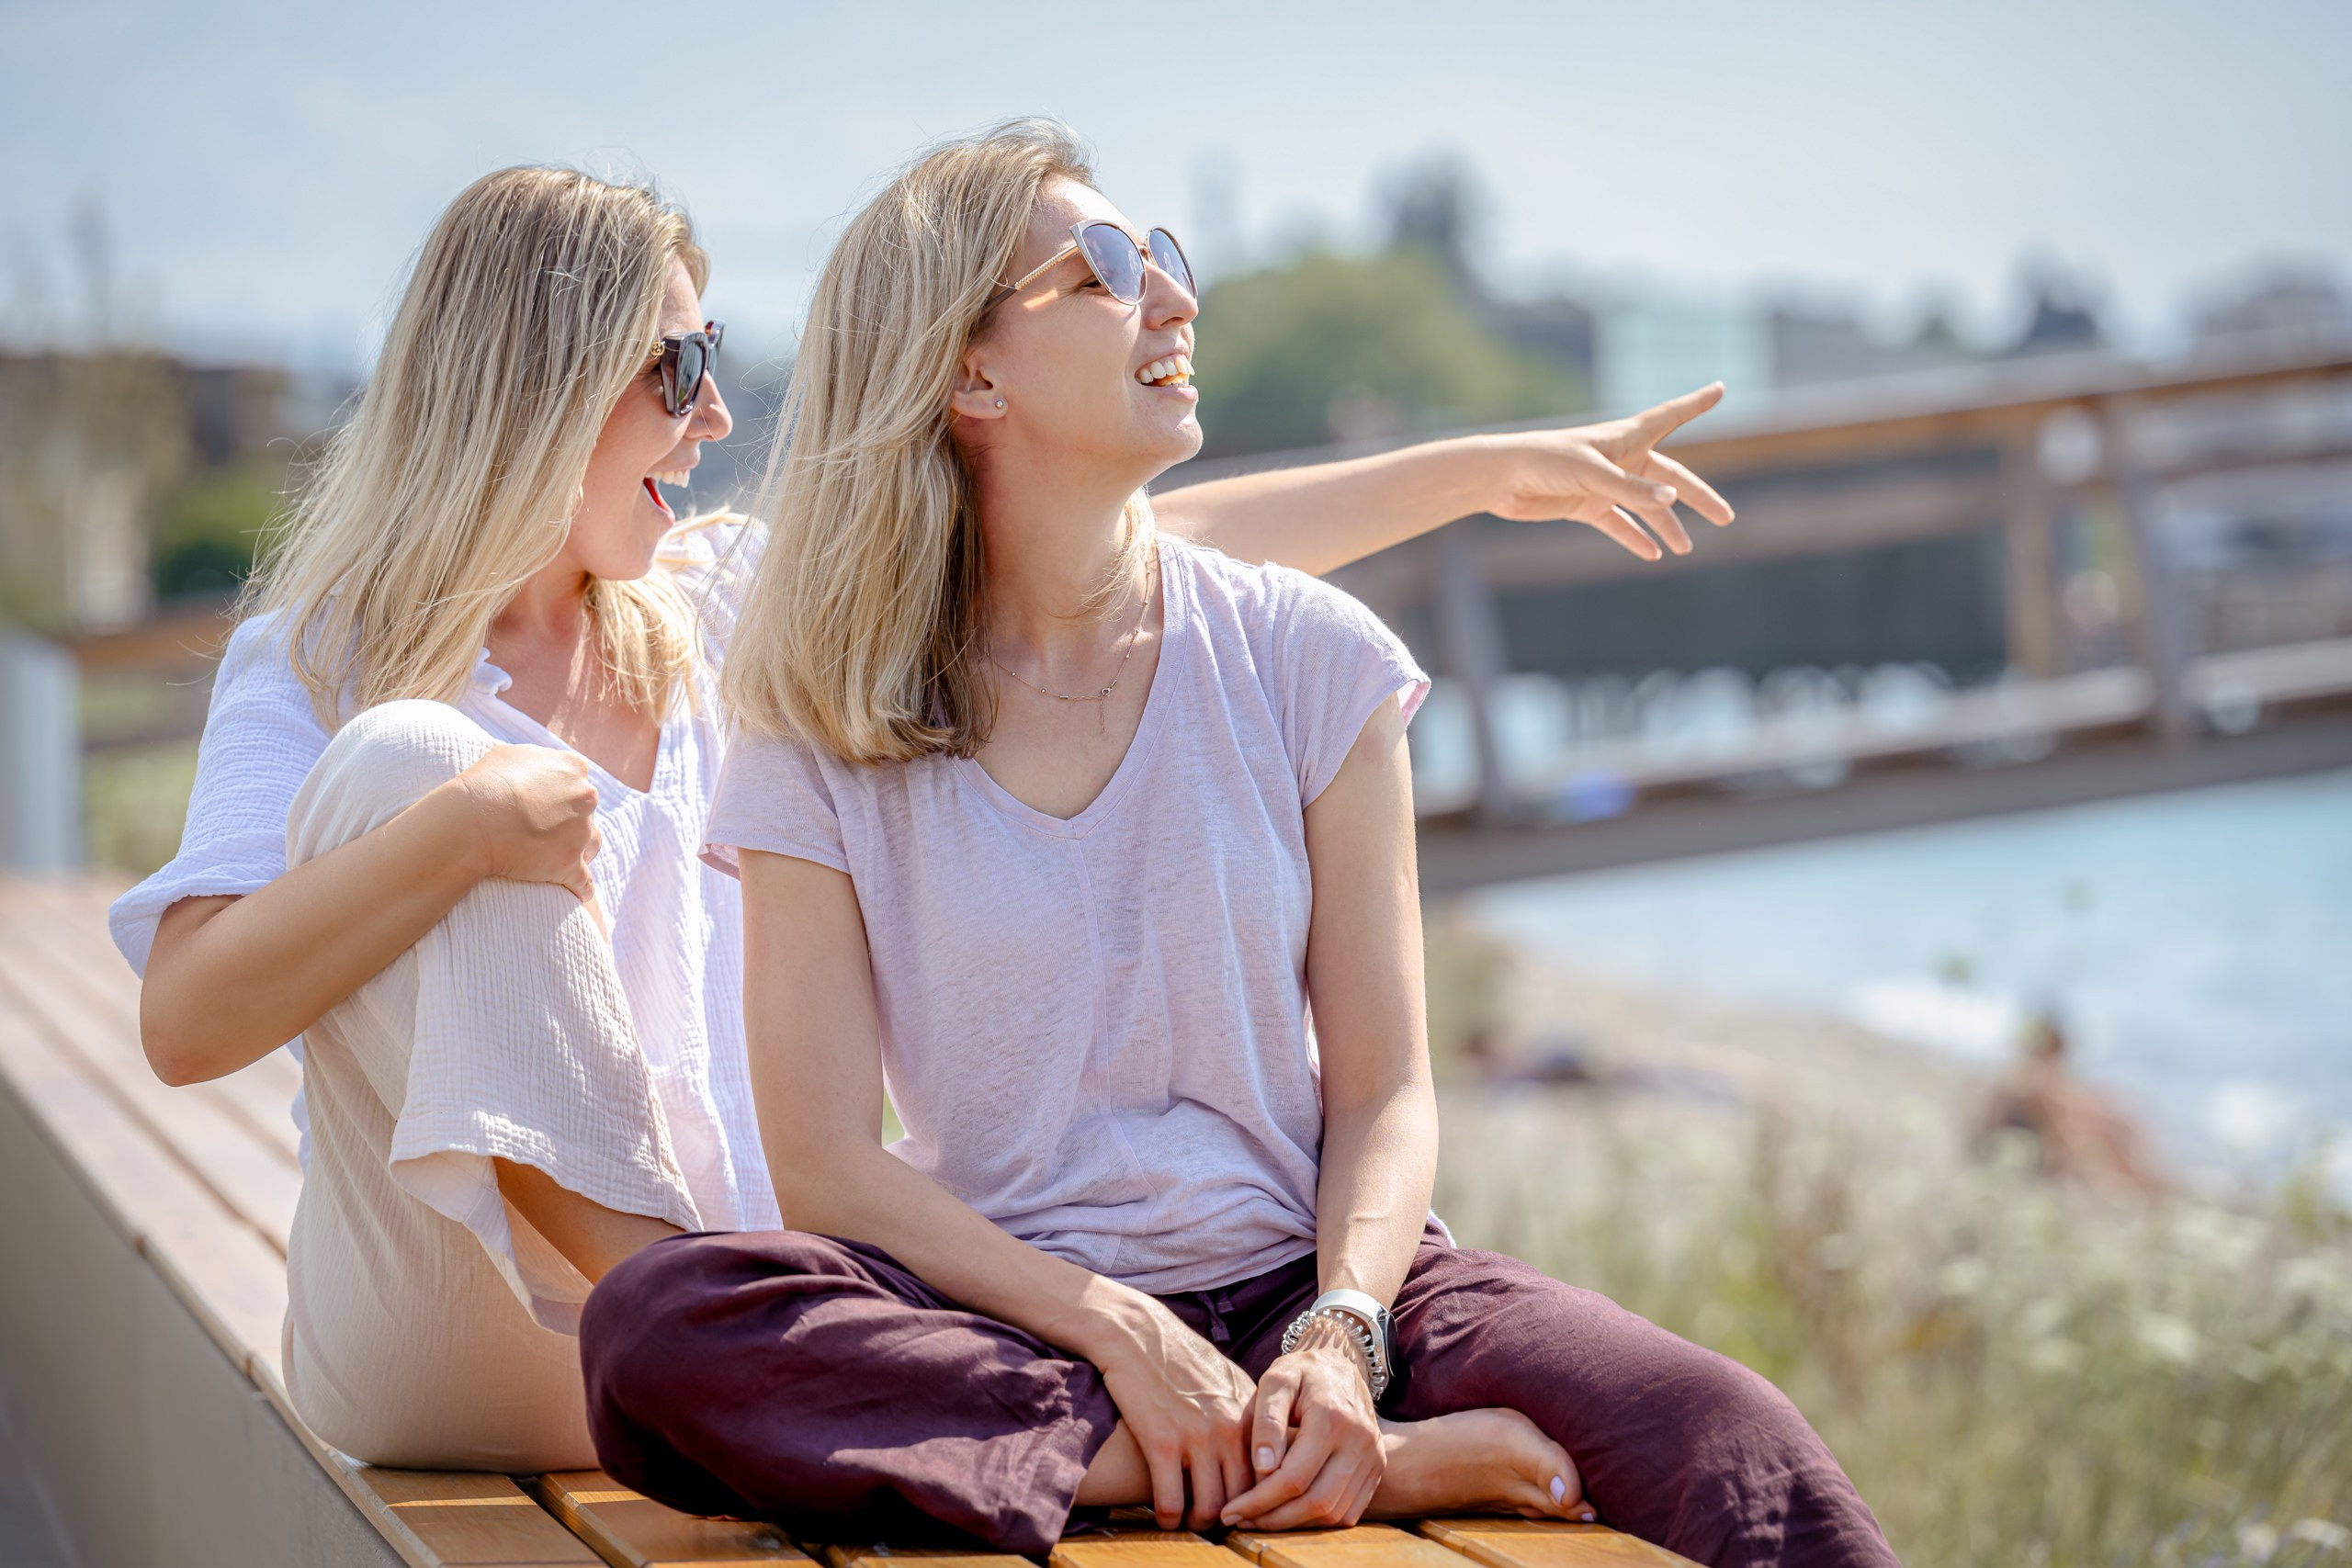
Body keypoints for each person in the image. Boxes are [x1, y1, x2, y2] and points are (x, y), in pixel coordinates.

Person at [109, 164, 1736, 1472]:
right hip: (468, 1337)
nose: (718, 420)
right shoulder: (320, 654)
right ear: (534, 385)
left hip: (779, 1340)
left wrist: (1482, 473)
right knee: (412, 760)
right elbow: (186, 1023)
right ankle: (706, 1313)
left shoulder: (719, 614)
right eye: (679, 370)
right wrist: (458, 830)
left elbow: (1110, 542)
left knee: (793, 1317)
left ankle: (1250, 1443)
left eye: (718, 368)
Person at [580, 122, 1894, 1568]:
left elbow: (1387, 1088)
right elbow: (827, 1163)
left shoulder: (1311, 658)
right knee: (659, 1331)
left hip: (1312, 1283)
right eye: (1102, 271)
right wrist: (1116, 1327)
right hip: (1007, 1316)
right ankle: (1349, 1476)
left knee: (1731, 1437)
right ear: (970, 374)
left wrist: (1340, 1335)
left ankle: (1208, 1450)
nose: (1170, 297)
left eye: (1165, 258)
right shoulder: (823, 716)